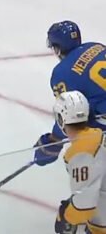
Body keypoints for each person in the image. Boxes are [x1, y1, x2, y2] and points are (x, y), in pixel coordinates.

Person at [35, 21, 106, 168]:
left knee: (84, 130)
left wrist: (54, 141)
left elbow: (71, 112)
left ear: (57, 48)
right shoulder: (96, 46)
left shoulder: (61, 73)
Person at [50, 90, 106, 234]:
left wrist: (66, 216)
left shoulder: (82, 150)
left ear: (61, 119)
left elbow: (84, 205)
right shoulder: (97, 135)